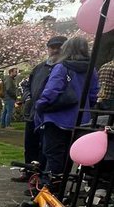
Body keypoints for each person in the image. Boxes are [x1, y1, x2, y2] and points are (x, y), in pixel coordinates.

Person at [34, 34, 99, 179]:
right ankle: (61, 185)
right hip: (81, 119)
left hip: (58, 117)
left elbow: (51, 91)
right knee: (69, 155)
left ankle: (50, 187)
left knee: (53, 153)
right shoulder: (91, 70)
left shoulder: (62, 67)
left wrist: (40, 105)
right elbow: (94, 94)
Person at [21, 36, 65, 170]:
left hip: (50, 114)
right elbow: (27, 85)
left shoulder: (66, 68)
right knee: (30, 144)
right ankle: (29, 172)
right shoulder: (40, 68)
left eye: (59, 47)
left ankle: (40, 176)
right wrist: (28, 98)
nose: (55, 50)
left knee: (45, 148)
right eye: (52, 47)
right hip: (34, 112)